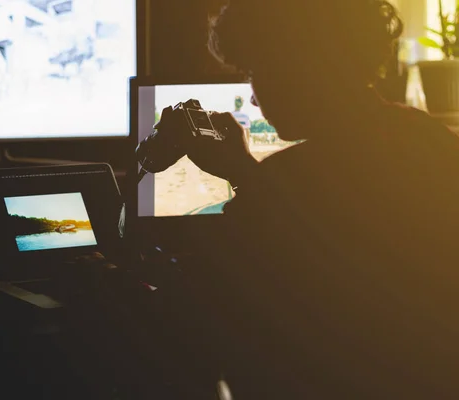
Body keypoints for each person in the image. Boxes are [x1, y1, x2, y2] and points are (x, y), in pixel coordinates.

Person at [170, 0, 459, 398]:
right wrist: (246, 173)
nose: (253, 97)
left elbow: (232, 318)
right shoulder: (431, 139)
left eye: (254, 71)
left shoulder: (288, 182)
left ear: (291, 70)